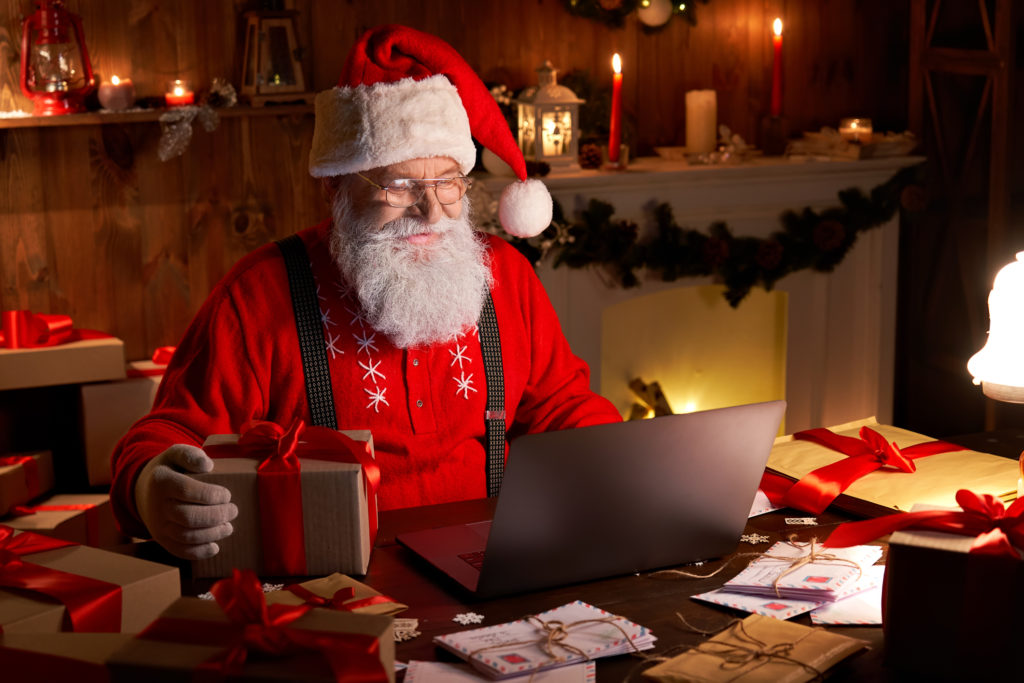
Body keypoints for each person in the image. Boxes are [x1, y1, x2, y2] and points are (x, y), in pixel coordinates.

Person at [111, 24, 622, 560]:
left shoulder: (505, 276)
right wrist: (152, 488)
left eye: (448, 181)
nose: (431, 211)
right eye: (400, 185)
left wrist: (617, 463)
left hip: (492, 569)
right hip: (333, 592)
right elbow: (169, 432)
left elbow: (564, 409)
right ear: (337, 186)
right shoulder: (258, 295)